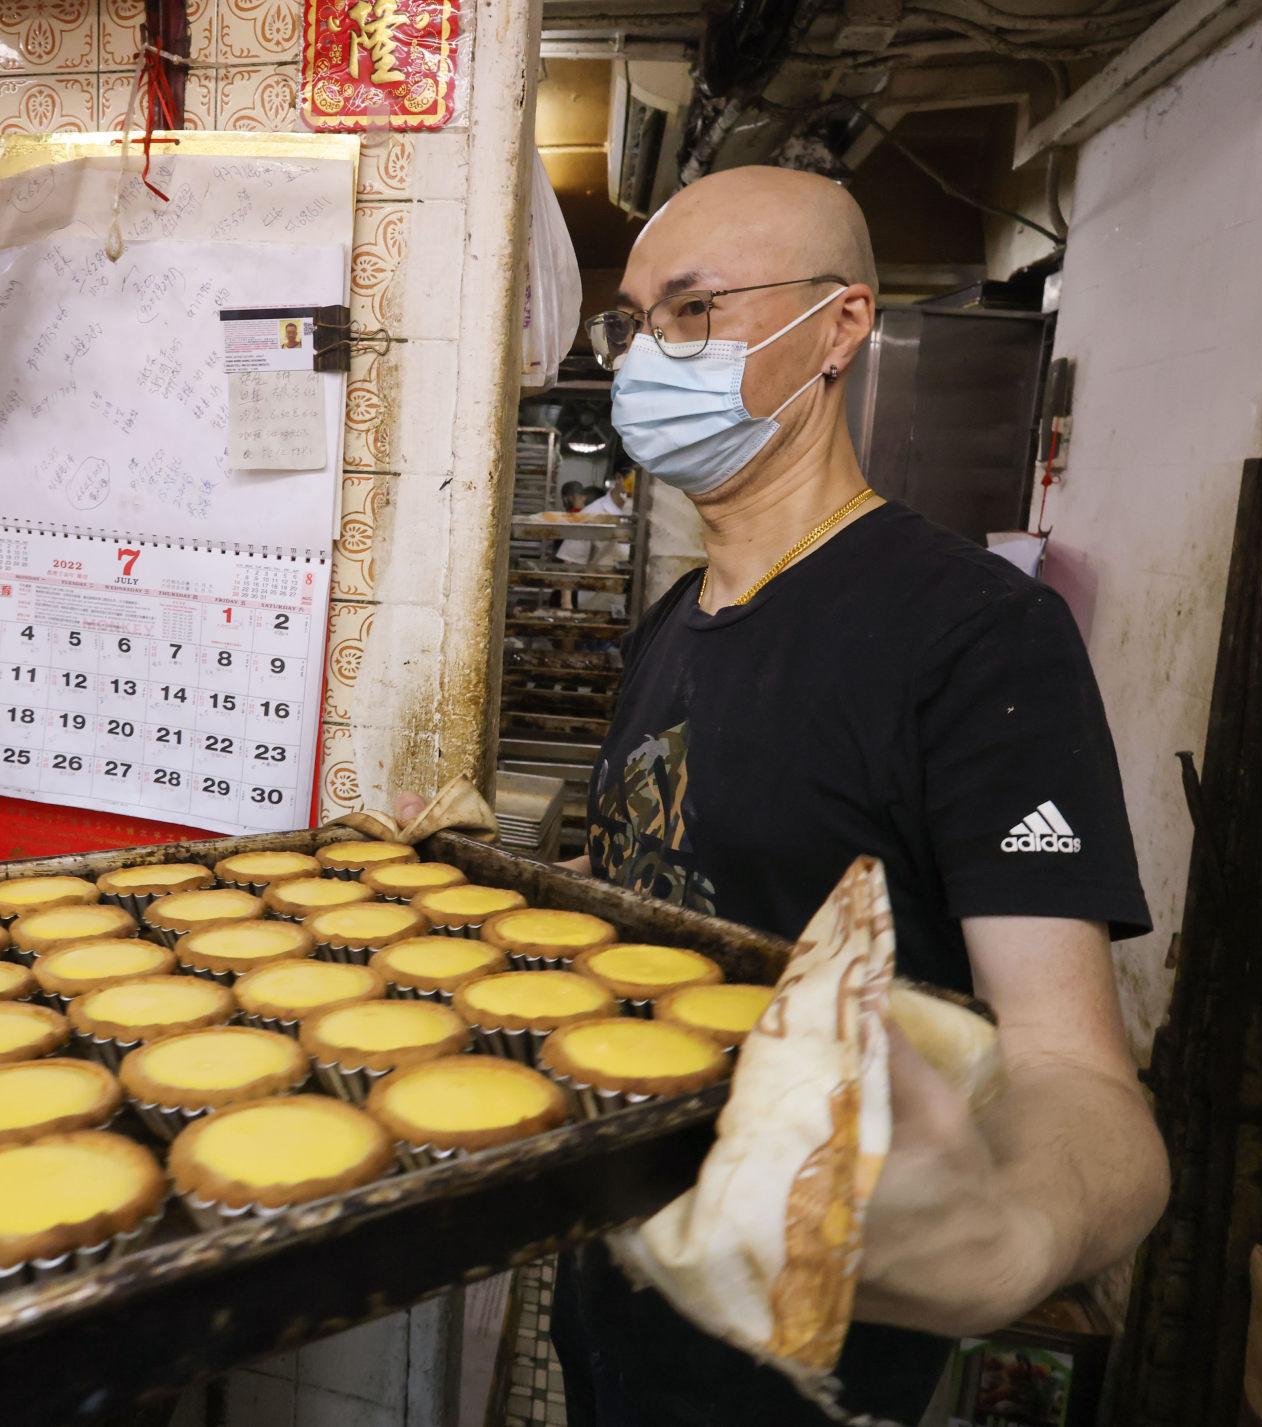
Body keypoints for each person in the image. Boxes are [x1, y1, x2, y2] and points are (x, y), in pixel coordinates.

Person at [411, 166, 1169, 1425]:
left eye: (696, 310)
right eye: (639, 318)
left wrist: (1015, 1237)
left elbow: (1075, 1071)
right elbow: (665, 906)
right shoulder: (673, 621)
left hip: (801, 1368)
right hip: (619, 1305)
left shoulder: (975, 637)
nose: (650, 351)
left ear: (839, 328)